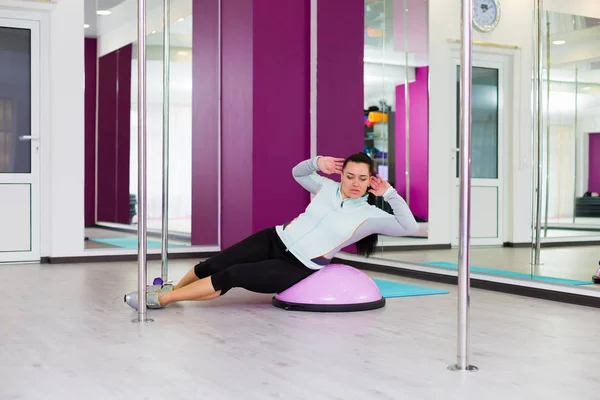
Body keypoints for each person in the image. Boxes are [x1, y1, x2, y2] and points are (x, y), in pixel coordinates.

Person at [124, 152, 418, 310]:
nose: (355, 183)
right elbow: (297, 172)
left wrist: (390, 193)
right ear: (340, 174)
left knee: (232, 276)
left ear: (371, 182)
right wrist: (317, 162)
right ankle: (172, 290)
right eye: (349, 175)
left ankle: (161, 300)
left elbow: (409, 226)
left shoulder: (371, 214)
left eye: (362, 178)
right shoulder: (325, 186)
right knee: (213, 264)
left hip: (297, 264)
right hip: (274, 238)